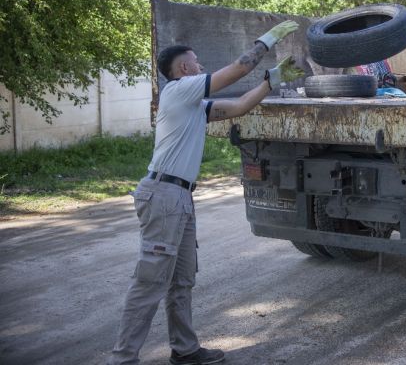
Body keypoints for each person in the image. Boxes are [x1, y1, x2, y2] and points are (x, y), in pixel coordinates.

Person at [108, 20, 304, 365]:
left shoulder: (194, 105)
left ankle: (184, 350)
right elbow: (239, 68)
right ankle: (122, 359)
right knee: (150, 282)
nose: (202, 67)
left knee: (182, 280)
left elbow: (241, 106)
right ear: (184, 69)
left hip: (178, 198)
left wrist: (272, 80)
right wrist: (269, 39)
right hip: (164, 195)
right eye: (197, 63)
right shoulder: (179, 90)